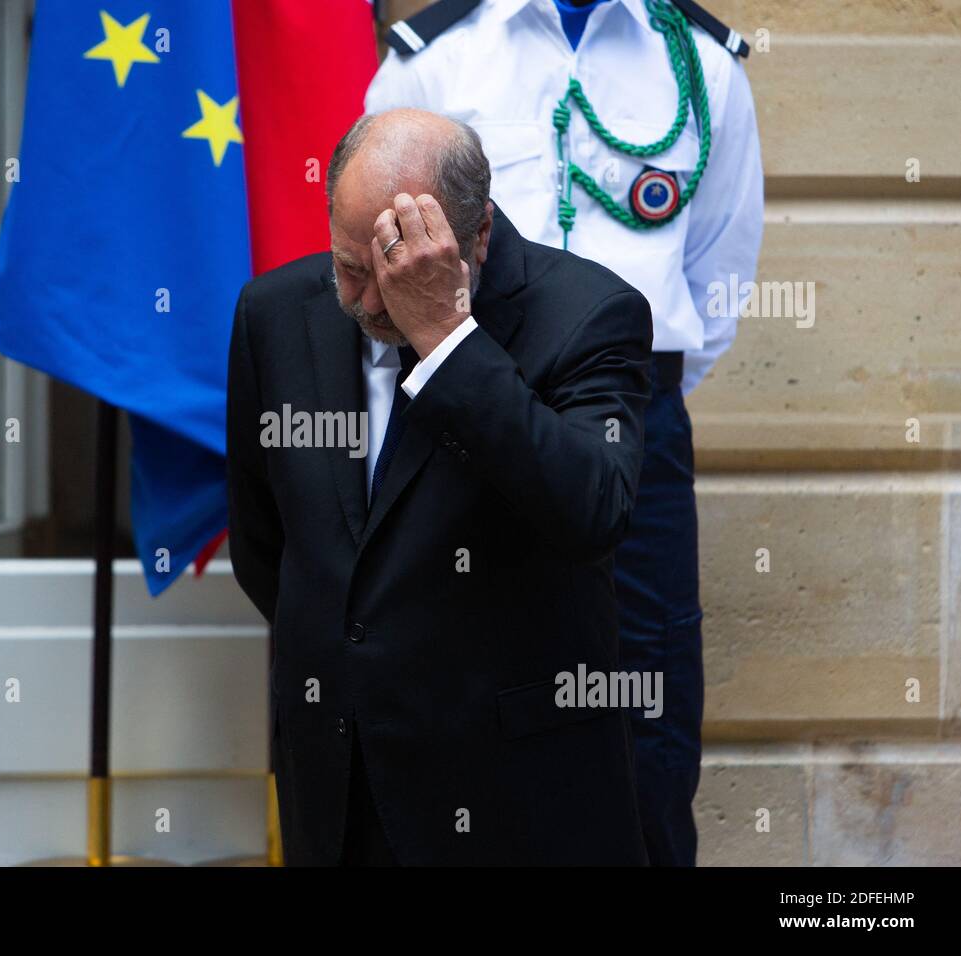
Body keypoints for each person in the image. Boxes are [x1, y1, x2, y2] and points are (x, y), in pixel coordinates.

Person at [365, 0, 764, 865]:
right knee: (463, 703)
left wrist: (605, 394)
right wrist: (493, 395)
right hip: (460, 418)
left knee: (645, 728)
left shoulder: (702, 66)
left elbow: (720, 274)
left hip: (632, 425)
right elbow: (378, 273)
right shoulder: (436, 61)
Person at [226, 107, 653, 865]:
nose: (366, 300)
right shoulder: (275, 314)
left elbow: (593, 508)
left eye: (397, 273)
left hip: (514, 794)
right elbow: (269, 546)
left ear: (477, 233)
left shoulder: (589, 314)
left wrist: (446, 338)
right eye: (351, 266)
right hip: (341, 784)